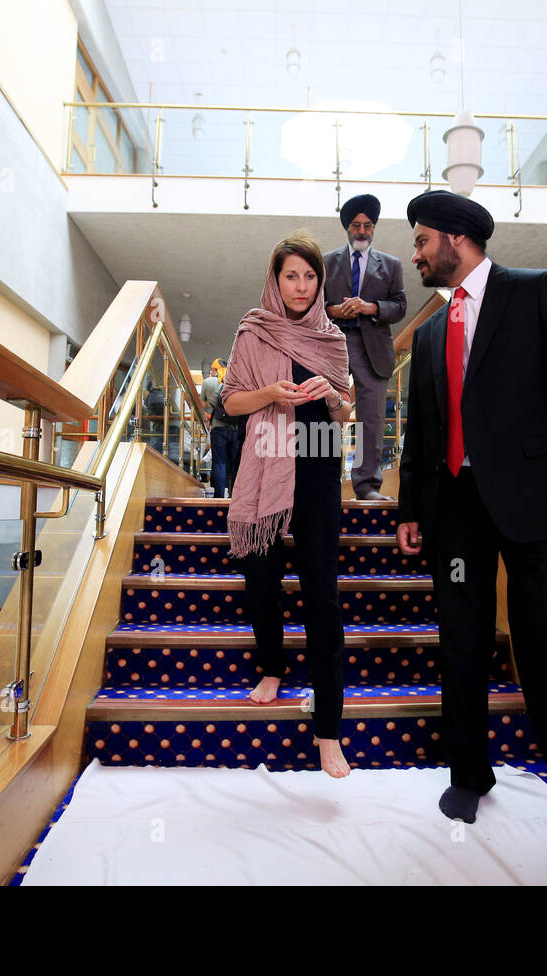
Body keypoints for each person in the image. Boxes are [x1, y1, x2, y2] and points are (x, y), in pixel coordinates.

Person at [396, 189, 547, 874]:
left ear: (457, 239)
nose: (414, 254)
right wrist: (412, 508)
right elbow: (422, 431)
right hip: (456, 510)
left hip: (537, 505)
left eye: (420, 241)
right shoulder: (432, 330)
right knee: (460, 647)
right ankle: (469, 776)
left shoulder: (536, 293)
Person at [221, 232, 354, 779]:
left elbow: (346, 413)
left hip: (318, 465)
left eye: (309, 276)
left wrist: (328, 396)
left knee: (322, 593)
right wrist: (271, 394)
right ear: (275, 281)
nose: (300, 286)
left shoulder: (333, 337)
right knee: (261, 576)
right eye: (290, 276)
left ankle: (328, 732)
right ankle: (272, 666)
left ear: (320, 282)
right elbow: (230, 401)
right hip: (265, 461)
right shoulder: (254, 330)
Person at [324, 194, 407, 500]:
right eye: (356, 225)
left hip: (372, 347)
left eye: (367, 225)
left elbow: (399, 306)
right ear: (347, 227)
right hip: (333, 344)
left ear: (374, 227)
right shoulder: (325, 262)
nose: (362, 231)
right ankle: (324, 481)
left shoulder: (391, 265)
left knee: (371, 419)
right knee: (325, 415)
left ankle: (366, 487)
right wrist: (334, 311)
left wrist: (370, 307)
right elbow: (313, 304)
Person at [202, 358, 239, 497]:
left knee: (219, 462)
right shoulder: (235, 381)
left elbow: (202, 406)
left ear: (215, 369)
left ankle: (219, 495)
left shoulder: (208, 382)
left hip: (218, 428)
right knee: (235, 464)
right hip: (236, 428)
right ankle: (234, 495)